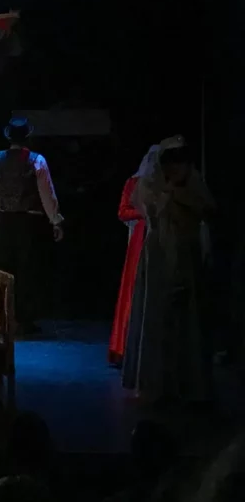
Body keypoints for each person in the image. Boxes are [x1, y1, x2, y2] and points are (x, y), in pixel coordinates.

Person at [122, 135, 214, 406]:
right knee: (155, 315)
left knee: (187, 317)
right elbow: (148, 210)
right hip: (159, 254)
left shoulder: (193, 185)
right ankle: (155, 383)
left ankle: (188, 384)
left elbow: (206, 209)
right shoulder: (151, 186)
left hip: (185, 254)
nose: (177, 168)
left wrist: (181, 196)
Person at [0, 117, 64, 334]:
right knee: (27, 269)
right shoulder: (37, 160)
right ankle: (23, 319)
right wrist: (55, 220)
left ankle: (3, 317)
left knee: (4, 268)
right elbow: (47, 193)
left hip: (4, 220)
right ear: (27, 137)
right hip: (28, 222)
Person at [108, 146, 160, 366]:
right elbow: (123, 211)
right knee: (134, 291)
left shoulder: (168, 186)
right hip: (141, 240)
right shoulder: (135, 182)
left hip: (164, 240)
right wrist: (147, 214)